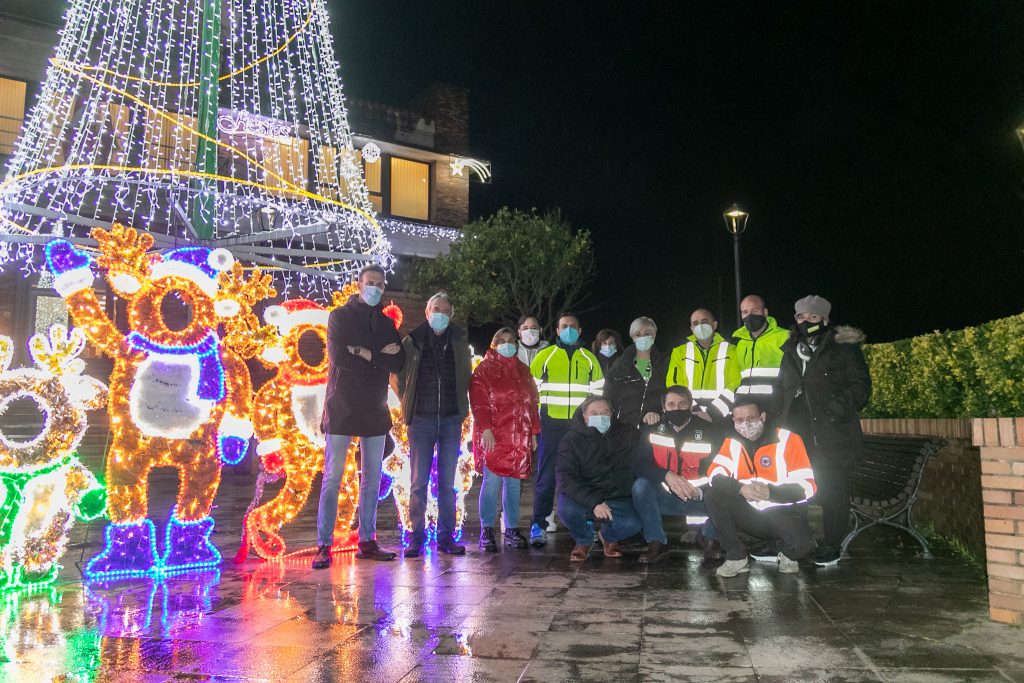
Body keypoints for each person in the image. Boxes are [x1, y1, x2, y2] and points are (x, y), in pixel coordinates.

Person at [314, 264, 406, 568]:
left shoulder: (385, 322)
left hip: (374, 408)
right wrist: (379, 357)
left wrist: (364, 353)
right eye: (370, 283)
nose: (375, 288)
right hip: (342, 405)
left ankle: (367, 540)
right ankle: (323, 544)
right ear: (359, 284)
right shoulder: (339, 316)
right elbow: (339, 357)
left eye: (380, 284)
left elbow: (400, 361)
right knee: (333, 476)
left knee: (372, 478)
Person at [779, 295, 871, 567]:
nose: (805, 322)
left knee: (833, 491)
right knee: (798, 490)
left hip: (833, 433)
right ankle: (801, 542)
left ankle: (832, 544)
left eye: (812, 317)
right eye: (800, 317)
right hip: (799, 435)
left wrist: (838, 406)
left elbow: (862, 385)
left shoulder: (842, 348)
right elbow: (781, 390)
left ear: (825, 319)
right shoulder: (791, 350)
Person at [394, 292, 473, 557]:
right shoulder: (412, 341)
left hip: (451, 419)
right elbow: (399, 376)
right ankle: (416, 536)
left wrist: (462, 409)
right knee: (418, 481)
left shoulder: (460, 341)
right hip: (422, 420)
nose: (440, 314)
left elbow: (466, 376)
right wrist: (409, 402)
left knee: (448, 484)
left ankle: (446, 537)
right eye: (436, 309)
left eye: (445, 311)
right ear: (427, 313)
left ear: (451, 315)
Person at [703, 398, 818, 577]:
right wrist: (739, 488)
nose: (745, 424)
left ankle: (782, 550)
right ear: (733, 421)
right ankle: (736, 558)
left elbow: (808, 486)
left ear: (763, 417)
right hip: (749, 513)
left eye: (751, 418)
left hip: (783, 513)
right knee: (713, 494)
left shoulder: (789, 439)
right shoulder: (731, 442)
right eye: (739, 420)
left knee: (804, 546)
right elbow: (714, 474)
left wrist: (771, 492)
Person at [556, 395, 665, 562]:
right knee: (567, 510)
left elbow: (642, 459)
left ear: (612, 414)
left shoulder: (628, 433)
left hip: (616, 495)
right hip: (585, 494)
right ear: (585, 415)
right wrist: (594, 501)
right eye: (594, 413)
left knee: (633, 523)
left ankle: (608, 536)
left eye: (604, 412)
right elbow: (565, 477)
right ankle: (583, 541)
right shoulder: (572, 438)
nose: (600, 417)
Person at [529, 313, 604, 547]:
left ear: (580, 331)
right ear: (557, 330)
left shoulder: (590, 359)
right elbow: (531, 394)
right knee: (546, 477)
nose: (569, 329)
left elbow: (598, 396)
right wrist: (537, 421)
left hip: (580, 429)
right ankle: (538, 525)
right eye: (564, 326)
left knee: (586, 475)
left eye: (573, 326)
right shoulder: (545, 356)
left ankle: (588, 522)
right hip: (551, 426)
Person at [630, 386, 724, 564]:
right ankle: (657, 541)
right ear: (663, 408)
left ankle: (708, 537)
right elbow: (638, 464)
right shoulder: (653, 428)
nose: (677, 409)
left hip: (700, 497)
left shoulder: (710, 430)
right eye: (671, 404)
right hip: (666, 496)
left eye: (682, 404)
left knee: (724, 491)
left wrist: (700, 491)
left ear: (690, 405)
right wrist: (666, 475)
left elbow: (723, 467)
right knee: (640, 486)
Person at [469, 327, 541, 551]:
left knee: (513, 483)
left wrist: (534, 432)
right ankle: (487, 529)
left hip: (519, 435)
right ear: (494, 343)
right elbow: (479, 402)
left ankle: (511, 528)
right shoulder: (484, 370)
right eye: (502, 340)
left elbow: (532, 403)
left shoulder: (523, 370)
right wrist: (486, 429)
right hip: (494, 434)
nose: (507, 344)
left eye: (511, 340)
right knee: (491, 482)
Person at [666, 308, 740, 422]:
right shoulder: (679, 352)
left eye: (704, 322)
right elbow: (674, 384)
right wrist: (693, 409)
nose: (700, 326)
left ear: (714, 325)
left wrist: (714, 412)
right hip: (689, 416)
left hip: (722, 417)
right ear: (691, 328)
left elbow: (735, 383)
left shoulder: (732, 351)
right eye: (695, 323)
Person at [730, 295, 790, 416]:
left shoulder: (785, 337)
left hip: (774, 409)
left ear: (765, 312)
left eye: (755, 311)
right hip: (746, 411)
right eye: (745, 312)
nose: (749, 316)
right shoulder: (738, 342)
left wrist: (778, 405)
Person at [605, 316, 666, 430]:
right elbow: (608, 396)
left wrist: (658, 413)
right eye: (638, 334)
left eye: (647, 333)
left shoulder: (664, 365)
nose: (642, 337)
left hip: (652, 426)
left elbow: (668, 396)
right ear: (633, 338)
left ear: (654, 335)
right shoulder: (620, 366)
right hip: (622, 428)